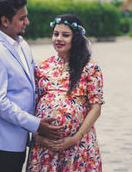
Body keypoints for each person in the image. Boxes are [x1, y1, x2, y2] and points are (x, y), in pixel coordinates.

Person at [0, 0, 63, 172]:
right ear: (5, 21)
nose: (27, 22)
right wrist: (36, 124)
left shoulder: (21, 43)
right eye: (22, 18)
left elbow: (33, 81)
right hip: (1, 144)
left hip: (17, 140)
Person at [27, 14, 104, 172]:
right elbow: (32, 104)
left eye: (65, 35)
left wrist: (75, 138)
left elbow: (96, 108)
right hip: (45, 147)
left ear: (76, 38)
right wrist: (37, 136)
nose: (58, 39)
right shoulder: (42, 67)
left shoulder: (90, 68)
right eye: (56, 34)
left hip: (78, 147)